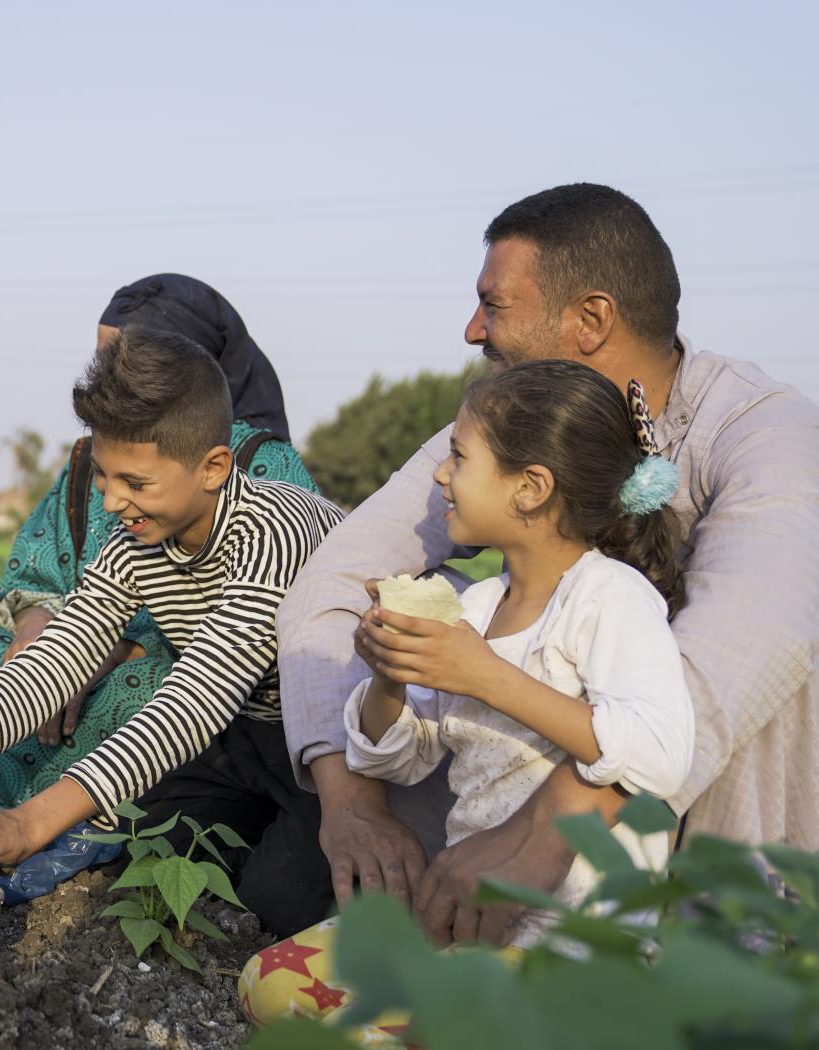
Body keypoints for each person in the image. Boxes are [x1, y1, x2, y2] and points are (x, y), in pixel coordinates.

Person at [278, 183, 819, 947]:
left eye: (492, 304)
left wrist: (541, 837)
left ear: (591, 320)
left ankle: (737, 955)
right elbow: (334, 584)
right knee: (431, 609)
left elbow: (740, 654)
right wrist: (352, 801)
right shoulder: (500, 430)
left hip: (672, 835)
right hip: (494, 842)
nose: (471, 330)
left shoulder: (767, 430)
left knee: (782, 661)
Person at [0, 328, 346, 934]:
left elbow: (199, 697)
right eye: (105, 477)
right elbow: (59, 656)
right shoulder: (136, 541)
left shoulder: (275, 527)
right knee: (134, 847)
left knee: (277, 906)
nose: (111, 502)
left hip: (336, 749)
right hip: (245, 740)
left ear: (213, 467)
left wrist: (27, 824)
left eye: (136, 483)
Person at [242, 359, 693, 1029]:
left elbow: (659, 753)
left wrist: (484, 676)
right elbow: (399, 757)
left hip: (578, 940)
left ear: (530, 488)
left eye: (459, 456)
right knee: (266, 984)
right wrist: (389, 677)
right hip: (468, 925)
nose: (440, 475)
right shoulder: (478, 607)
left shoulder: (610, 599)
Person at [0, 273, 318, 810]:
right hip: (81, 643)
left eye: (125, 361)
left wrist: (116, 650)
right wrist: (39, 631)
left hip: (204, 678)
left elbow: (217, 669)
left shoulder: (268, 486)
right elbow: (62, 600)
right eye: (102, 362)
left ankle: (67, 830)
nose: (114, 500)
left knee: (139, 694)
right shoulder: (99, 466)